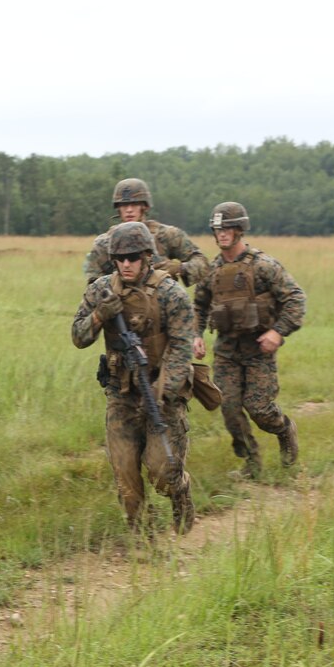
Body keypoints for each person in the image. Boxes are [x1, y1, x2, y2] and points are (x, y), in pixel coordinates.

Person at [71, 221, 196, 535]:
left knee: (162, 473)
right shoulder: (101, 290)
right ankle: (142, 539)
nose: (126, 264)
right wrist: (99, 315)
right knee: (124, 473)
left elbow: (182, 347)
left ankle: (180, 490)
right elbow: (78, 337)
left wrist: (162, 389)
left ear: (147, 257)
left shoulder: (171, 293)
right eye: (119, 258)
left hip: (161, 395)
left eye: (133, 257)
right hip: (121, 393)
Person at [192, 202, 306, 479]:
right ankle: (252, 464)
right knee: (229, 409)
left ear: (240, 230)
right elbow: (199, 306)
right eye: (217, 228)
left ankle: (284, 429)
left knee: (260, 409)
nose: (222, 233)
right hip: (226, 350)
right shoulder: (211, 271)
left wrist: (277, 332)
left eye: (228, 228)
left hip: (258, 350)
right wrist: (196, 334)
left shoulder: (263, 266)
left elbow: (295, 298)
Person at [83, 178, 210, 287]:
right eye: (124, 205)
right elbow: (93, 285)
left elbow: (202, 263)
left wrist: (179, 268)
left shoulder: (166, 235)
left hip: (163, 302)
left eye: (134, 204)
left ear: (145, 207)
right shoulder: (104, 243)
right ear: (118, 208)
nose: (129, 210)